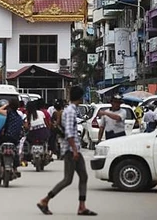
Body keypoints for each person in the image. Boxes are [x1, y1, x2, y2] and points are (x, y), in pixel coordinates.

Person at [37, 86, 97, 216]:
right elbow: (69, 133)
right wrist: (75, 150)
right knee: (68, 179)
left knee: (83, 176)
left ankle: (82, 206)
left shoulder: (71, 110)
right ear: (81, 97)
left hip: (74, 149)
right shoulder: (70, 111)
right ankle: (45, 200)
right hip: (71, 149)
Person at [0, 98, 23, 174]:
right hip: (15, 139)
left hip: (7, 137)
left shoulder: (9, 113)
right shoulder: (19, 117)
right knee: (16, 151)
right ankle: (15, 168)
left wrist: (6, 105)